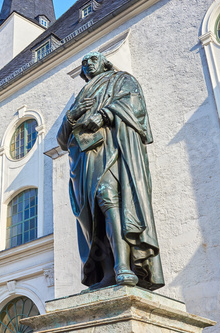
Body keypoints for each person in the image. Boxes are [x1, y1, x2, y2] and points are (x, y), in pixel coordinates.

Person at [57, 52, 164, 290]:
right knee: (94, 216)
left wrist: (104, 114)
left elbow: (135, 105)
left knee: (108, 197)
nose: (87, 65)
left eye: (92, 60)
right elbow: (62, 140)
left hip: (113, 151)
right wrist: (72, 116)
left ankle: (123, 266)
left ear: (105, 63)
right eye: (83, 63)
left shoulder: (121, 80)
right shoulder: (81, 97)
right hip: (84, 164)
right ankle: (107, 272)